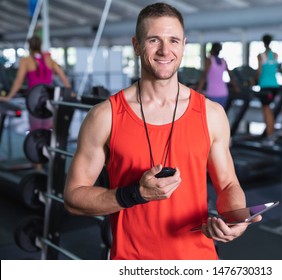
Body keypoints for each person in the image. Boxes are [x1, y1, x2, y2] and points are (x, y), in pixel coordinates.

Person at [63, 2, 251, 260]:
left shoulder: (211, 114)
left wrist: (236, 217)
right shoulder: (105, 116)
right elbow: (73, 197)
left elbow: (228, 183)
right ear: (137, 45)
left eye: (173, 40)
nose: (165, 50)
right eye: (154, 40)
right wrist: (135, 194)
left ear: (184, 45)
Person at [0, 35, 72, 131]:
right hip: (48, 98)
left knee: (36, 131)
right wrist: (70, 93)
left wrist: (9, 97)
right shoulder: (49, 59)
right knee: (47, 129)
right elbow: (64, 78)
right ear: (40, 45)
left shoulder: (26, 61)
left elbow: (19, 82)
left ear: (29, 46)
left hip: (34, 100)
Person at [196, 42, 240, 109]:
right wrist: (236, 87)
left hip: (212, 92)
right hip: (224, 92)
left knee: (211, 116)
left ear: (211, 50)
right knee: (220, 115)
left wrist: (198, 90)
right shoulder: (223, 61)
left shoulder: (209, 60)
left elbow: (204, 76)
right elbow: (231, 76)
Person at [254, 34, 280, 138]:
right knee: (269, 109)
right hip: (274, 86)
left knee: (266, 110)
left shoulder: (261, 56)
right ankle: (270, 132)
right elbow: (275, 69)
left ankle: (270, 135)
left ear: (263, 42)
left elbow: (259, 71)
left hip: (265, 86)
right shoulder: (275, 55)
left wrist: (254, 80)